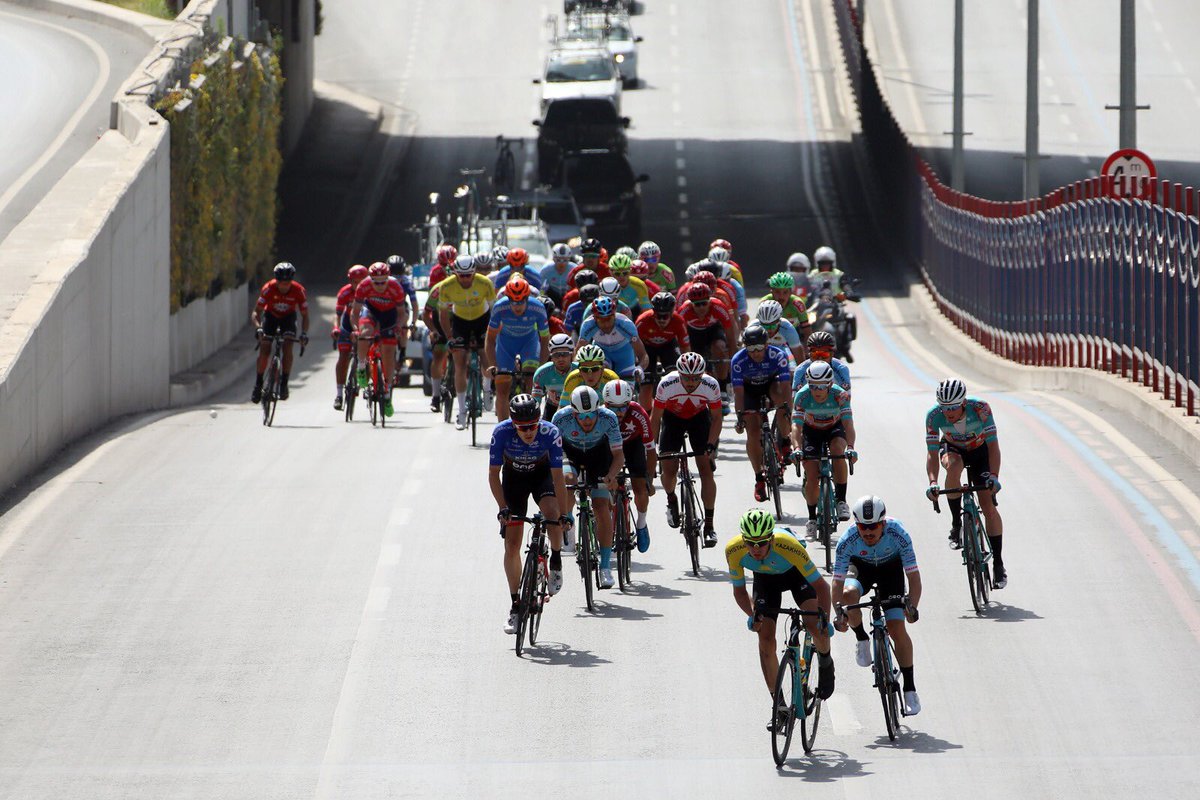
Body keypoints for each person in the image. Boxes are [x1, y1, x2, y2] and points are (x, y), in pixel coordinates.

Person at [728, 509, 835, 724]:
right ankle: (780, 707)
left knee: (814, 625)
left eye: (762, 543)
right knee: (765, 640)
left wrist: (824, 616)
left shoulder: (788, 545)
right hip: (765, 582)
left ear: (772, 539)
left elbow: (822, 587)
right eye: (751, 543)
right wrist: (753, 615)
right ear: (743, 540)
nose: (756, 549)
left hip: (795, 575)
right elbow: (739, 591)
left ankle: (825, 660)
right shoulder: (734, 550)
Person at [833, 495, 923, 716]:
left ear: (883, 523)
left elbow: (913, 577)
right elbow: (837, 581)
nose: (868, 532)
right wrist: (838, 613)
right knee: (849, 594)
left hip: (891, 570)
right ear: (857, 525)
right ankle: (862, 637)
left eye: (873, 526)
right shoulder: (847, 540)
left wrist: (911, 606)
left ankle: (910, 688)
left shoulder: (899, 534)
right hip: (860, 568)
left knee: (896, 628)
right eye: (863, 527)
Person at [489, 394, 570, 634]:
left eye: (533, 426)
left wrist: (564, 514)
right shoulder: (501, 432)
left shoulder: (550, 432)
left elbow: (558, 477)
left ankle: (555, 560)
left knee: (551, 512)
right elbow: (494, 474)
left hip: (541, 476)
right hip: (514, 481)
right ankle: (515, 605)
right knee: (512, 547)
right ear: (513, 424)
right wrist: (502, 508)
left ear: (539, 421)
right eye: (522, 428)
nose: (528, 432)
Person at [924, 378, 1006, 588]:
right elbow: (932, 455)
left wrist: (994, 477)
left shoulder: (980, 409)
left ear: (963, 403)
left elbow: (994, 447)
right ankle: (956, 524)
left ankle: (998, 562)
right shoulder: (934, 416)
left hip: (981, 453)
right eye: (944, 407)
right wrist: (933, 482)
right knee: (952, 467)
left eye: (952, 407)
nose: (948, 412)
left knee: (988, 507)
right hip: (954, 450)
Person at [553, 386, 626, 589]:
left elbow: (618, 456)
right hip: (571, 453)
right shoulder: (561, 419)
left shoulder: (608, 418)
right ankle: (569, 519)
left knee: (601, 506)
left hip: (599, 455)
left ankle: (605, 567)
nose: (587, 420)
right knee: (568, 479)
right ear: (573, 412)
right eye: (581, 416)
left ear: (598, 410)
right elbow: (553, 456)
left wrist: (611, 476)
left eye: (591, 415)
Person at [651, 352, 723, 547]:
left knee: (705, 469)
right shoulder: (666, 384)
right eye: (686, 378)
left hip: (699, 419)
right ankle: (671, 498)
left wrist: (711, 444)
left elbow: (716, 418)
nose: (691, 383)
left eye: (696, 378)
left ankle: (709, 526)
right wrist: (652, 446)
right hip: (672, 420)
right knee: (668, 469)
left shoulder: (711, 385)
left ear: (703, 375)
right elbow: (656, 418)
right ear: (678, 374)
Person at [790, 361, 857, 536]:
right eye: (813, 386)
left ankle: (841, 500)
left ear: (829, 384)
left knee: (838, 451)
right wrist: (797, 448)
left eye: (821, 386)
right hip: (811, 431)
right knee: (812, 474)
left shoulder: (840, 395)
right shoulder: (802, 396)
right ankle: (812, 518)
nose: (817, 391)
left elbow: (848, 424)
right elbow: (796, 427)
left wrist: (850, 447)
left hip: (834, 428)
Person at [732, 325, 793, 502]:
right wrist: (740, 416)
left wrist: (788, 409)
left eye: (759, 348)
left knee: (780, 400)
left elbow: (786, 386)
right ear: (745, 348)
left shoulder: (777, 356)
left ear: (767, 345)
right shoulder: (738, 360)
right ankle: (759, 478)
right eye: (751, 349)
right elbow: (738, 393)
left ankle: (786, 442)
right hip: (749, 391)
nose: (756, 353)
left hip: (770, 384)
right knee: (752, 432)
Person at [435, 255, 498, 429]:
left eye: (468, 275)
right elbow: (443, 315)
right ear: (455, 273)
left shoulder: (485, 283)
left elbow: (495, 309)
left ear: (474, 272)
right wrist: (450, 338)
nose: (465, 279)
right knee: (460, 364)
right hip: (460, 322)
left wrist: (492, 333)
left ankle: (487, 388)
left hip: (482, 320)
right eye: (461, 275)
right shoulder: (446, 286)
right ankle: (462, 411)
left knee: (486, 357)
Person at [486, 276, 550, 423]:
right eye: (513, 302)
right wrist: (492, 364)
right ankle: (502, 427)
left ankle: (531, 422)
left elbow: (545, 338)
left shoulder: (537, 308)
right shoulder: (500, 307)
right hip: (506, 344)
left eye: (521, 301)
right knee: (502, 387)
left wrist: (542, 366)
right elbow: (490, 339)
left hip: (529, 342)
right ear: (508, 298)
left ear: (527, 298)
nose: (517, 306)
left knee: (532, 379)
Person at [603, 380, 656, 552]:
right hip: (609, 447)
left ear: (629, 403)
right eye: (614, 407)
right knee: (605, 485)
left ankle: (641, 524)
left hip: (633, 445)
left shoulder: (638, 413)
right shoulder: (601, 414)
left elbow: (651, 449)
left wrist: (650, 477)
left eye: (623, 407)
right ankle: (610, 517)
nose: (618, 412)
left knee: (640, 486)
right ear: (605, 404)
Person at [352, 261, 408, 417]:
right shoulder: (363, 286)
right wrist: (356, 328)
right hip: (370, 312)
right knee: (365, 332)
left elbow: (402, 313)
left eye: (383, 282)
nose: (380, 286)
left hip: (390, 315)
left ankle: (388, 389)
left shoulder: (396, 287)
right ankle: (362, 366)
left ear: (388, 278)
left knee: (389, 351)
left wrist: (398, 327)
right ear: (370, 279)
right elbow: (355, 312)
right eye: (376, 283)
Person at [250, 262, 309, 403]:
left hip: (288, 319)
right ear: (276, 280)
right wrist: (258, 327)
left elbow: (305, 315)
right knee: (265, 349)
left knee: (288, 346)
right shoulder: (268, 288)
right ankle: (258, 384)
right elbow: (256, 312)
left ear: (291, 281)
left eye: (287, 283)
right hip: (271, 317)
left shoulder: (298, 290)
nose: (284, 286)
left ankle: (284, 383)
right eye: (281, 283)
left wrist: (304, 333)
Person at [677, 283, 736, 406]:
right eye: (697, 304)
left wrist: (732, 363)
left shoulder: (719, 307)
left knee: (720, 347)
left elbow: (731, 337)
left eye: (704, 303)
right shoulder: (684, 310)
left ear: (710, 300)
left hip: (713, 330)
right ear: (690, 303)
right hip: (693, 333)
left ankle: (723, 386)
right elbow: (680, 338)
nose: (701, 307)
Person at [634, 291, 691, 408]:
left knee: (675, 377)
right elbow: (634, 346)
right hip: (647, 348)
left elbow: (685, 348)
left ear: (671, 313)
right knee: (646, 384)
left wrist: (688, 368)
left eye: (665, 316)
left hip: (668, 346)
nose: (661, 320)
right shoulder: (642, 321)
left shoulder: (679, 321)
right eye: (658, 316)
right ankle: (647, 414)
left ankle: (673, 407)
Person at [576, 297, 648, 381]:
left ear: (614, 315)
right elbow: (578, 353)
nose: (606, 324)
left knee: (627, 389)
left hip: (624, 355)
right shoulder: (588, 325)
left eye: (609, 319)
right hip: (602, 354)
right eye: (602, 320)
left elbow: (643, 355)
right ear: (595, 318)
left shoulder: (625, 324)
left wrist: (640, 368)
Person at [332, 264, 368, 410]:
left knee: (367, 357)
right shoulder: (344, 292)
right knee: (343, 357)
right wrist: (335, 328)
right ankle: (339, 394)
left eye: (361, 281)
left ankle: (366, 385)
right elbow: (338, 314)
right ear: (350, 281)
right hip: (348, 325)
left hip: (365, 324)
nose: (358, 284)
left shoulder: (370, 291)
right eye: (355, 281)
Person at [792, 330, 851, 396]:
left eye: (824, 355)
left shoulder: (841, 368)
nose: (820, 359)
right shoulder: (800, 370)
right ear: (810, 355)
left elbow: (846, 398)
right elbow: (795, 399)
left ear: (831, 354)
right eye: (815, 355)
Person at [762, 272, 814, 346]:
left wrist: (807, 348)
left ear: (790, 292)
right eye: (777, 292)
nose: (781, 296)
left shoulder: (798, 304)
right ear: (771, 292)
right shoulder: (764, 303)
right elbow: (759, 328)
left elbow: (806, 328)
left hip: (792, 340)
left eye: (785, 292)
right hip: (770, 341)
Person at [532, 333, 575, 418]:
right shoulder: (541, 373)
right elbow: (536, 402)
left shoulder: (580, 370)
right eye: (556, 355)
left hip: (575, 408)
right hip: (552, 407)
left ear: (571, 354)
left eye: (565, 354)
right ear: (551, 356)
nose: (560, 359)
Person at [385, 254, 421, 352]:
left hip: (400, 308)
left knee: (404, 320)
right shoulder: (381, 280)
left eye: (399, 274)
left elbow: (415, 305)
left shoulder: (407, 283)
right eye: (393, 274)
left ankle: (402, 351)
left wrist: (413, 323)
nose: (396, 278)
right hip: (385, 306)